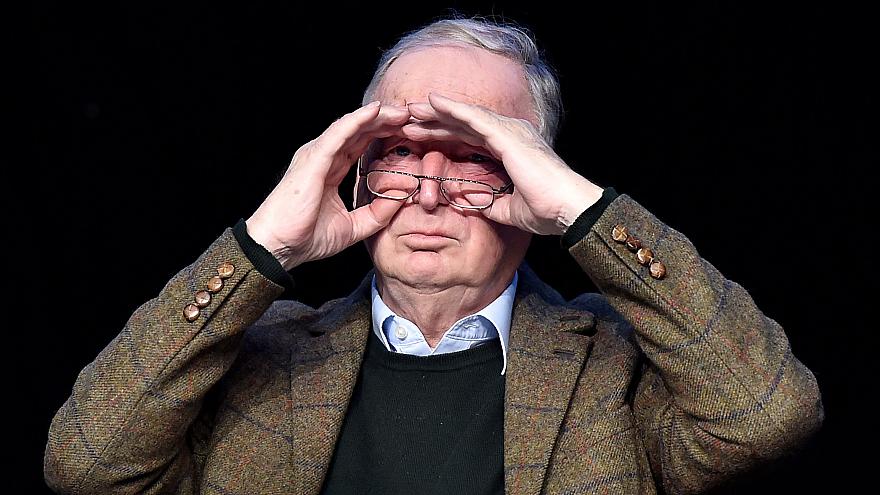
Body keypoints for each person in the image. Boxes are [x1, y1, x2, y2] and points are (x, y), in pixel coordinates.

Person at [44, 16, 823, 495]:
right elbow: (86, 462)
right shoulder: (257, 351)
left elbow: (767, 415)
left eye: (475, 155)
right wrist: (263, 245)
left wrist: (581, 209)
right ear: (354, 168)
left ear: (532, 173)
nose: (428, 193)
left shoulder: (620, 364)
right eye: (398, 152)